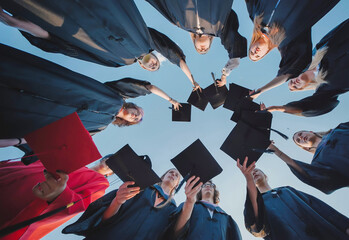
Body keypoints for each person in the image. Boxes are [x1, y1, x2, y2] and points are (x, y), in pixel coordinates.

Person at [0, 1, 200, 91]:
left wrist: (21, 25)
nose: (152, 64)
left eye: (151, 67)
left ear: (142, 67)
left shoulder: (116, 62)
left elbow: (69, 47)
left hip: (61, 16)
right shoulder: (144, 38)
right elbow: (174, 55)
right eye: (154, 61)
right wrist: (192, 80)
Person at [0, 44, 180, 138]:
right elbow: (148, 87)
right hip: (60, 86)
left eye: (137, 119)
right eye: (138, 113)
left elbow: (69, 135)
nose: (136, 116)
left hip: (46, 109)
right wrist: (170, 100)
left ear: (128, 123)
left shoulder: (100, 126)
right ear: (133, 105)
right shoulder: (117, 94)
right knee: (21, 74)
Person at [237, 157, 349, 240]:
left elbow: (324, 211)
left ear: (266, 176)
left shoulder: (288, 191)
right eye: (252, 173)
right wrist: (248, 179)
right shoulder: (257, 204)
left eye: (257, 170)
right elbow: (256, 226)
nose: (254, 172)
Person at [0, 156, 112, 240]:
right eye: (109, 157)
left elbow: (79, 204)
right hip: (10, 177)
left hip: (25, 201)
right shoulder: (76, 161)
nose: (109, 161)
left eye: (112, 162)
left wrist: (59, 194)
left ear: (111, 173)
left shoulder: (100, 183)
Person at [245, 0, 339, 98]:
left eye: (251, 52)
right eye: (258, 56)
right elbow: (287, 73)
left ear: (251, 44)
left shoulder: (255, 15)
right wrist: (261, 90)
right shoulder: (285, 42)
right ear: (265, 53)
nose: (255, 53)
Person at [146, 0, 247, 87]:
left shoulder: (180, 23)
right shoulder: (219, 27)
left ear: (194, 42)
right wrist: (225, 74)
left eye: (199, 49)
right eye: (205, 49)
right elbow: (233, 47)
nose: (202, 48)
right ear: (210, 40)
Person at [63, 169, 181, 240]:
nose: (173, 175)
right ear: (163, 176)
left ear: (177, 185)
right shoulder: (141, 188)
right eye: (171, 172)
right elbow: (104, 219)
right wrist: (117, 201)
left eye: (176, 176)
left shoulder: (173, 211)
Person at [164, 177, 242, 240]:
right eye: (204, 185)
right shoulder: (188, 205)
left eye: (211, 185)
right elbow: (174, 232)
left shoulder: (226, 217)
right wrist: (189, 203)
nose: (208, 186)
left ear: (214, 191)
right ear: (199, 190)